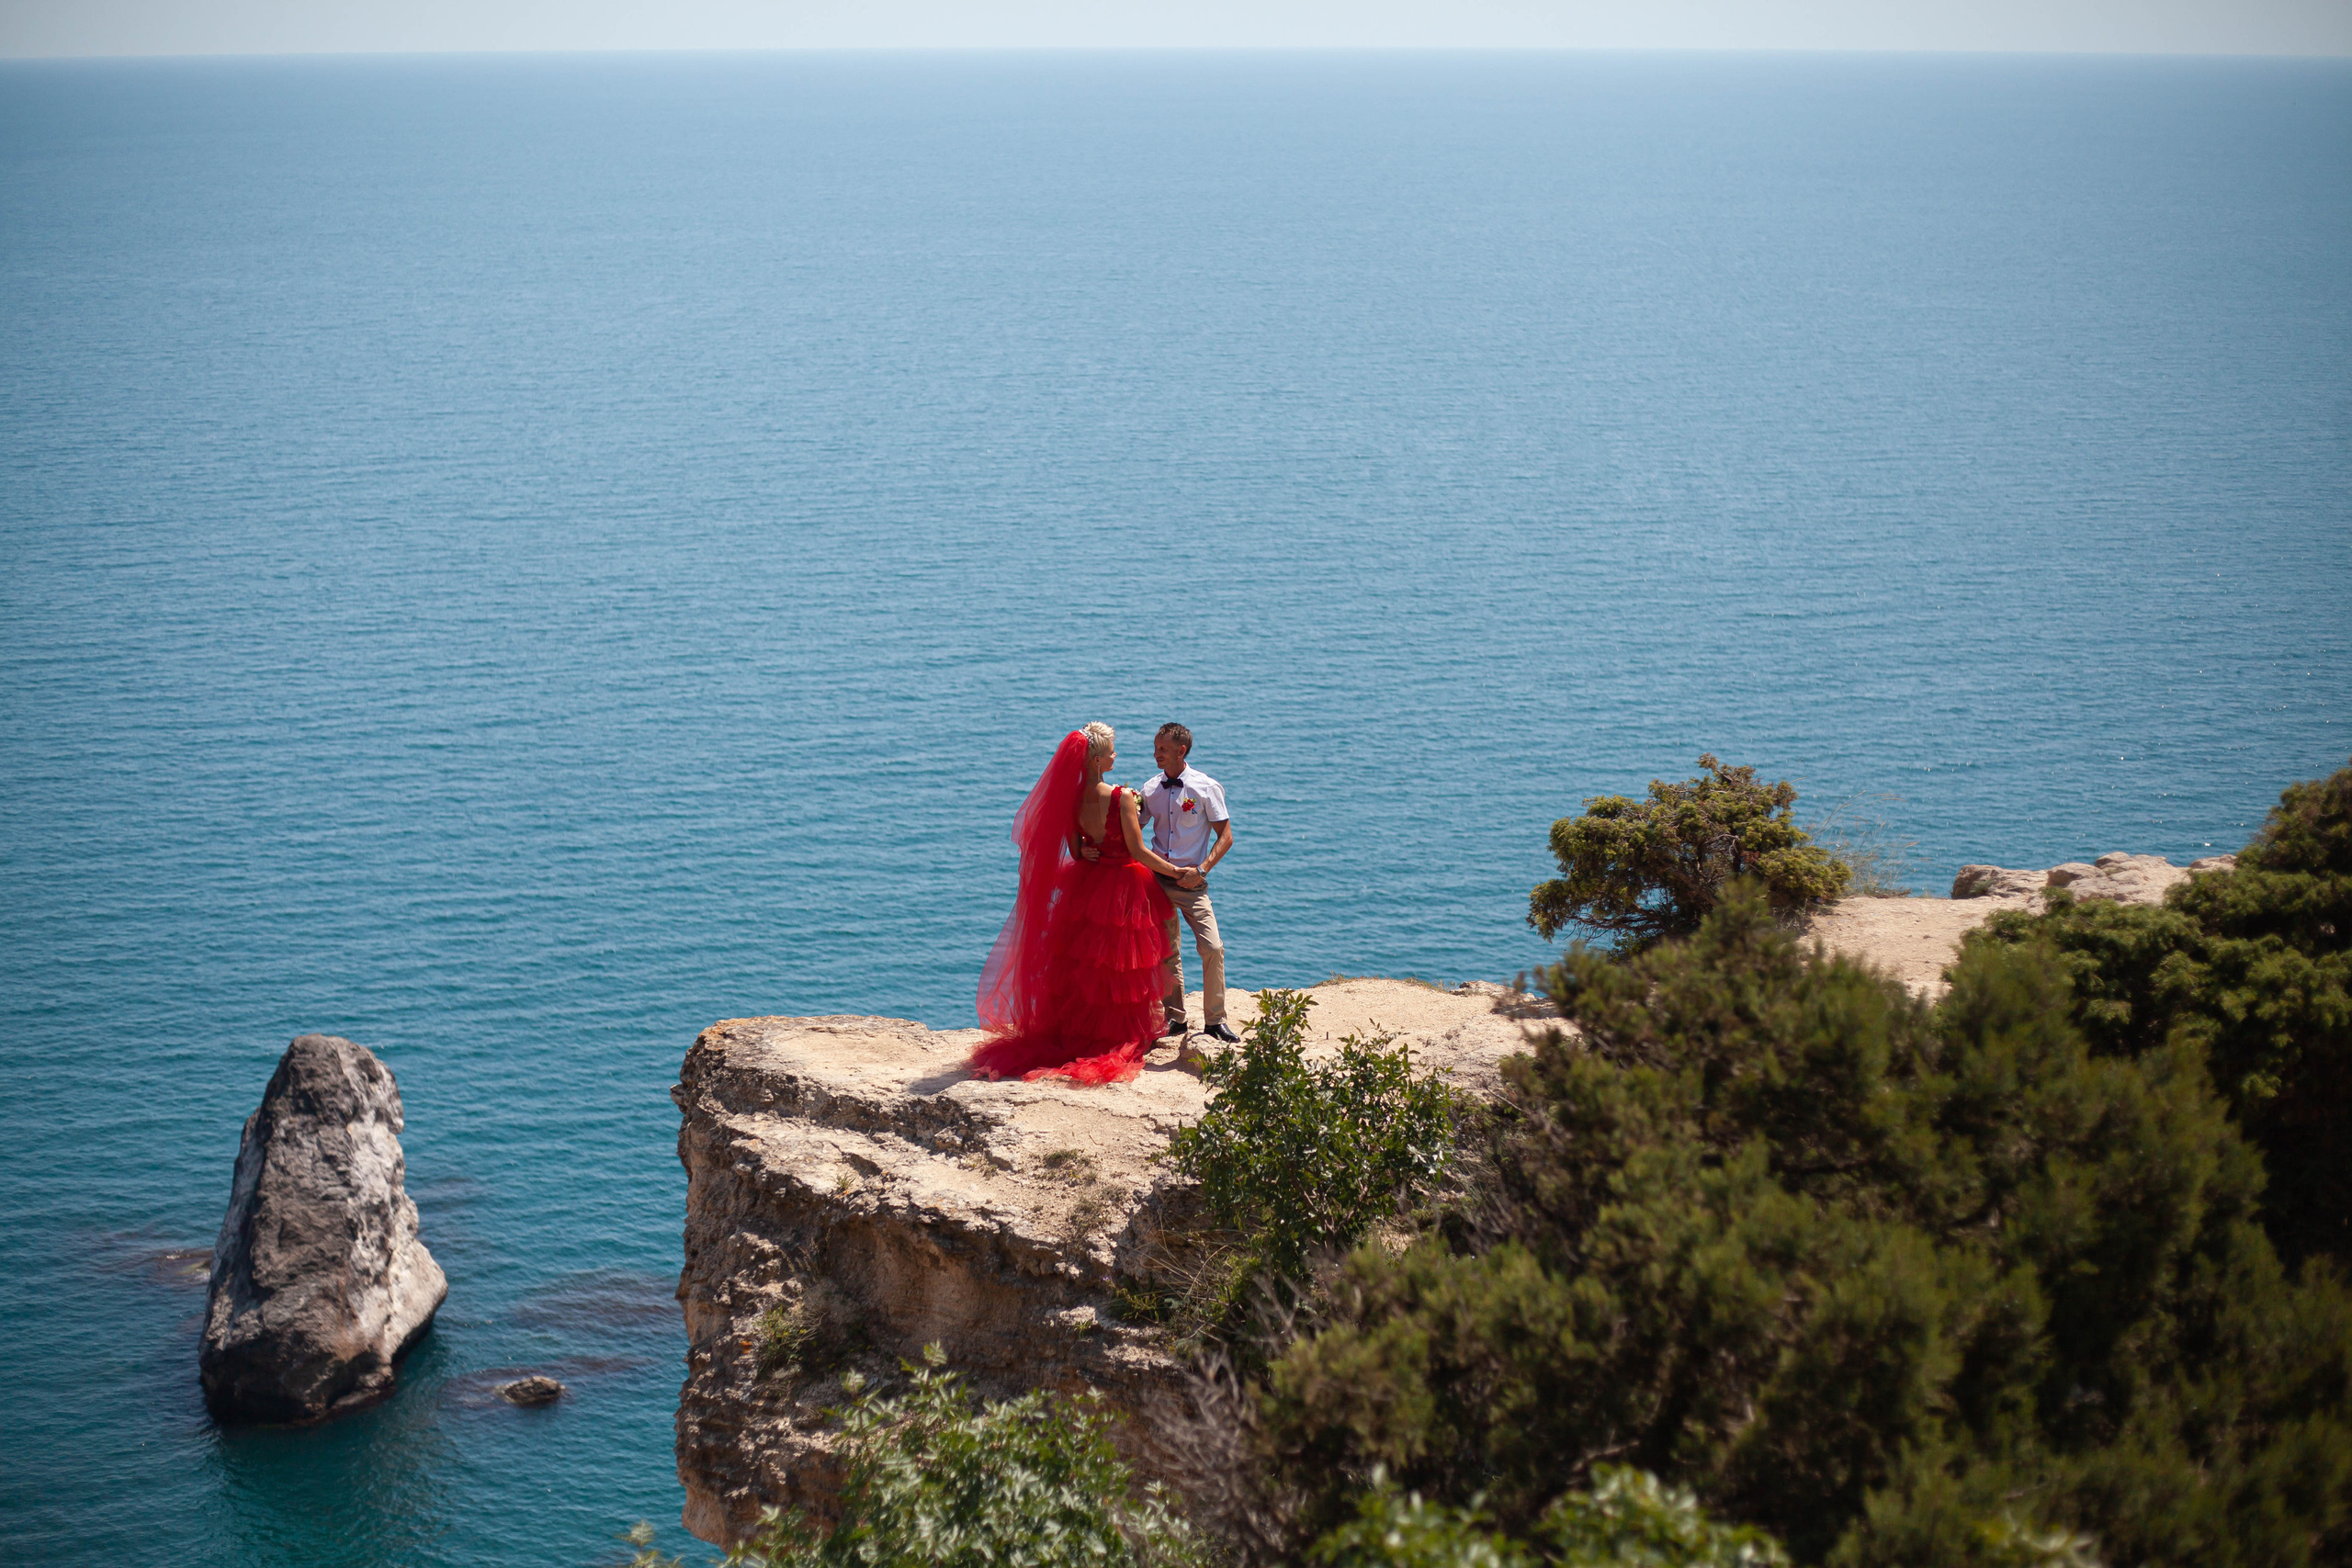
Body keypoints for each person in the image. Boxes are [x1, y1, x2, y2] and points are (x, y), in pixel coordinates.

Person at [967, 724, 1192, 1085]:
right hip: (1125, 886)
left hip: (1089, 883)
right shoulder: (1121, 797)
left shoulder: (1070, 798)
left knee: (1088, 967)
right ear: (1098, 758)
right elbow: (1137, 851)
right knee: (1123, 968)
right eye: (1113, 751)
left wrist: (1090, 850)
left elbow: (1076, 850)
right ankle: (1124, 1035)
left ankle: (1088, 1032)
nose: (1116, 755)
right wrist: (1176, 871)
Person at [1138, 722, 1238, 1043]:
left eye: (1162, 749)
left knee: (1212, 948)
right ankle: (1175, 1019)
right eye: (1155, 748)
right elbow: (1130, 828)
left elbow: (1226, 835)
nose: (1156, 754)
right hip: (1156, 880)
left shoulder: (1206, 787)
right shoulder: (1149, 789)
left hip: (1192, 882)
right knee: (1167, 952)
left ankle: (1215, 1022)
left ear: (1181, 751)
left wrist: (1204, 869)